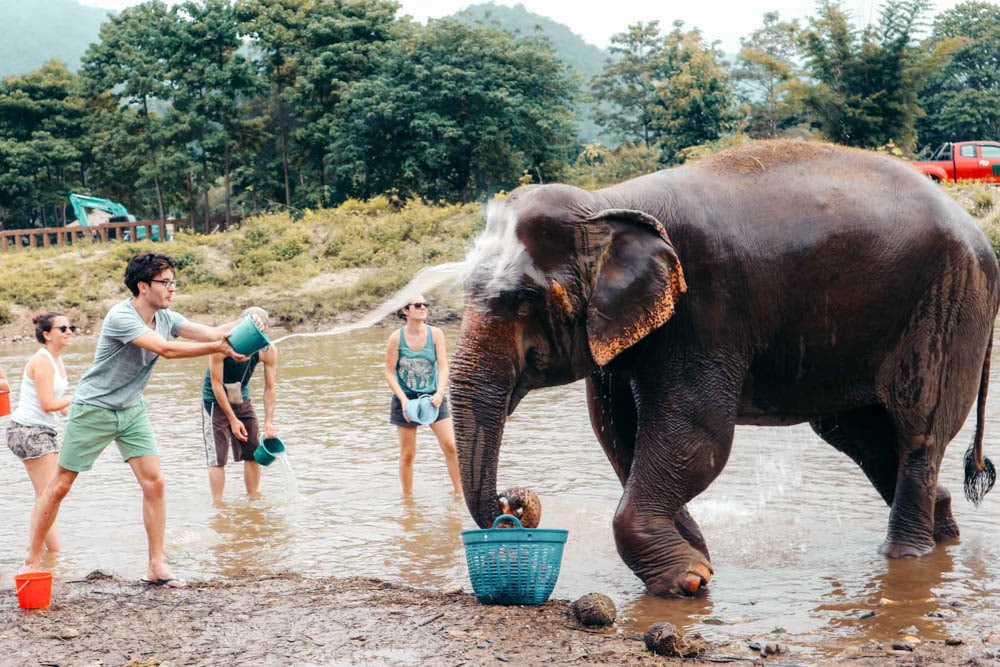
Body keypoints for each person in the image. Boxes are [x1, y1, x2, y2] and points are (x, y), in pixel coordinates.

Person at [21, 252, 250, 588]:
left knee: (154, 483)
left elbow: (212, 332)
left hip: (131, 409)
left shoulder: (167, 317)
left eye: (173, 282)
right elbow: (166, 350)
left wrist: (249, 323)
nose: (172, 288)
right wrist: (219, 347)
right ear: (143, 286)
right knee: (60, 486)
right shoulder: (121, 317)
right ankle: (31, 561)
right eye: (165, 282)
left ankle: (156, 565)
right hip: (94, 408)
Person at [5, 313, 75, 553]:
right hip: (28, 431)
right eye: (62, 328)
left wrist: (82, 415)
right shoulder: (42, 361)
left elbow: (59, 406)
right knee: (48, 496)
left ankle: (45, 555)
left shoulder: (56, 360)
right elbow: (47, 404)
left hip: (41, 431)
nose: (69, 331)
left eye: (71, 327)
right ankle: (51, 555)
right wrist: (77, 397)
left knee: (49, 495)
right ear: (47, 334)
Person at [384, 294, 462, 497]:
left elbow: (443, 367)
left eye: (425, 304)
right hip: (406, 398)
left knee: (451, 446)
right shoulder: (396, 338)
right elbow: (389, 373)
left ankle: (460, 495)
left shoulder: (436, 334)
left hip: (433, 397)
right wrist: (403, 400)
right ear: (405, 311)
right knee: (408, 454)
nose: (423, 308)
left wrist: (440, 393)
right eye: (417, 305)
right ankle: (408, 500)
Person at [202, 306, 278, 506]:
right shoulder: (222, 346)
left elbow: (270, 387)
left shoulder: (267, 350)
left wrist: (269, 422)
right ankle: (219, 505)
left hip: (241, 397)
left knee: (253, 450)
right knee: (218, 457)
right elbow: (216, 385)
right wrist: (233, 420)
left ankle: (253, 499)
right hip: (214, 400)